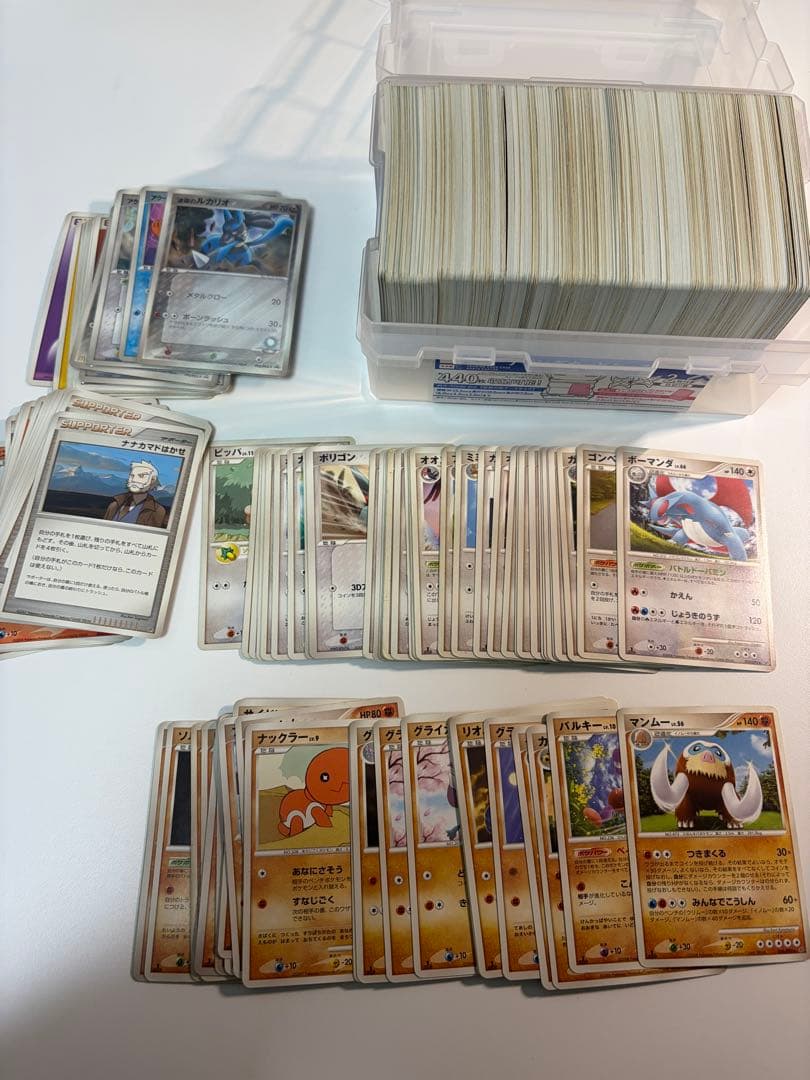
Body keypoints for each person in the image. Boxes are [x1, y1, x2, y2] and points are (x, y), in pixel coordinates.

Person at [104, 461, 169, 528]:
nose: (134, 480)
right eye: (132, 476)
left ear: (152, 480)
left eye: (141, 476)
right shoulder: (114, 505)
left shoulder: (157, 511)